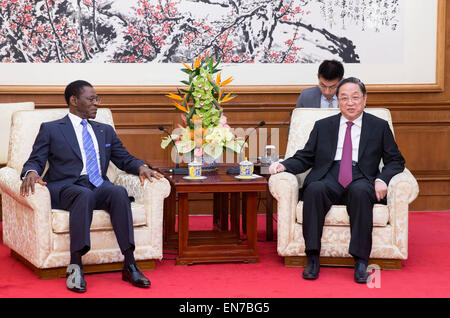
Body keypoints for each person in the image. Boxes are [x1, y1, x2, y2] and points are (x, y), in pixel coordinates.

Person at [20, 80, 164, 293]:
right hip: (66, 186)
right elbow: (36, 159)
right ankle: (75, 266)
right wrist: (31, 172)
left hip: (97, 184)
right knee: (83, 194)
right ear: (74, 100)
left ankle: (130, 264)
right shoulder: (52, 129)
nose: (96, 103)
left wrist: (141, 167)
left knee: (118, 192)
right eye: (91, 99)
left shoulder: (104, 130)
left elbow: (123, 158)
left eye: (97, 99)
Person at [270, 77, 405, 283]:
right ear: (338, 101)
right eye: (344, 98)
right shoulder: (323, 126)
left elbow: (395, 160)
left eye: (355, 97)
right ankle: (313, 257)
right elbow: (306, 156)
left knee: (360, 193)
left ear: (364, 99)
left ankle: (361, 261)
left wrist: (383, 179)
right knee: (314, 190)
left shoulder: (379, 126)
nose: (350, 103)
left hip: (362, 175)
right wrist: (284, 165)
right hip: (329, 174)